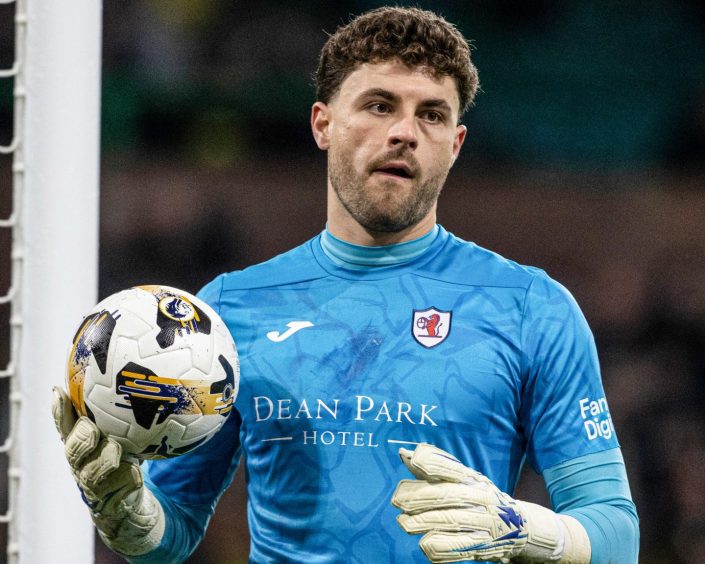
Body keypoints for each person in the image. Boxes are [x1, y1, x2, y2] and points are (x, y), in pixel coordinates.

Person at [52, 6, 639, 563]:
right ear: (322, 124)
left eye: (432, 114)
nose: (406, 132)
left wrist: (521, 526)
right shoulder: (226, 313)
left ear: (455, 145)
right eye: (380, 105)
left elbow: (616, 534)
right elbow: (173, 529)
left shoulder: (531, 308)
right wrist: (128, 512)